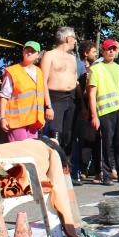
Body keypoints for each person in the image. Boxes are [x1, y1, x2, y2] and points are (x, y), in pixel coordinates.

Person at [88, 39, 119, 185]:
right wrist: (94, 115)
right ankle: (106, 175)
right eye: (108, 49)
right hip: (105, 112)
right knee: (106, 144)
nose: (111, 51)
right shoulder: (96, 69)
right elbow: (91, 94)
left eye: (114, 49)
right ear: (103, 51)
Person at [0, 41, 52, 142]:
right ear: (23, 52)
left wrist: (45, 111)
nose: (29, 53)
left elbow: (41, 93)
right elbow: (4, 96)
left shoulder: (39, 72)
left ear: (38, 55)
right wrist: (2, 118)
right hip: (17, 121)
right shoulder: (13, 71)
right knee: (20, 153)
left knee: (30, 153)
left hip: (33, 122)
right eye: (27, 50)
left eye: (33, 51)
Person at [40, 27, 78, 160]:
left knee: (69, 135)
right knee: (56, 134)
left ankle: (66, 167)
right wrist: (48, 105)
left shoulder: (72, 58)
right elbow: (42, 81)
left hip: (71, 98)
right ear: (68, 39)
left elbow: (75, 79)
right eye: (74, 38)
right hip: (55, 98)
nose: (75, 41)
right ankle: (54, 166)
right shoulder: (49, 55)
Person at [74, 40, 98, 184]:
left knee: (92, 138)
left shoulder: (96, 68)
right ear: (85, 53)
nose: (96, 54)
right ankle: (81, 169)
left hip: (93, 107)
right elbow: (79, 88)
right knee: (82, 138)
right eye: (93, 51)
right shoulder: (79, 67)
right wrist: (83, 107)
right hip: (82, 108)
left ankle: (92, 168)